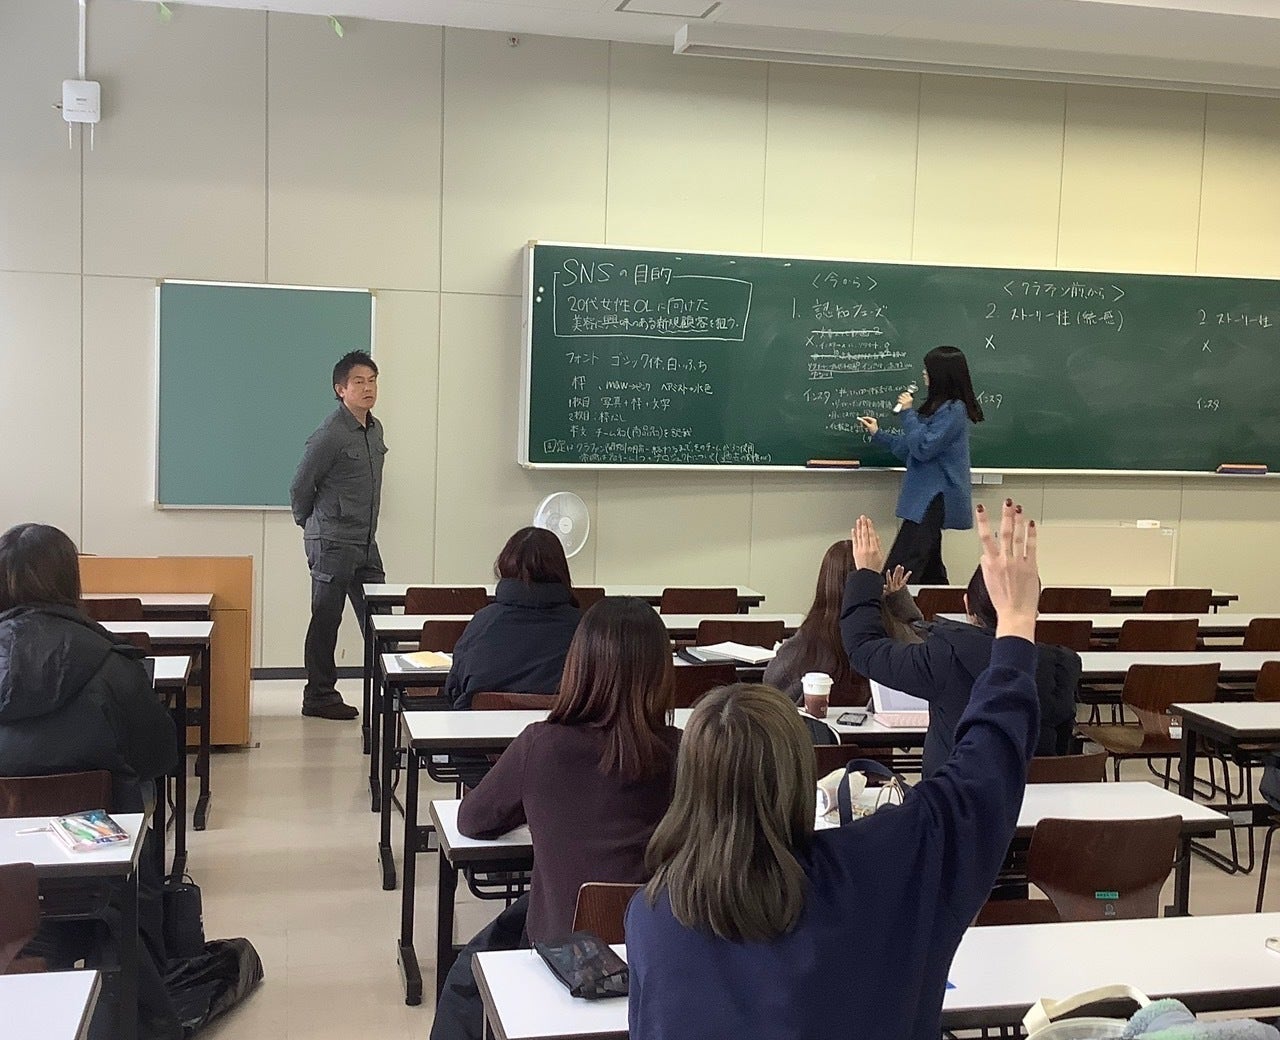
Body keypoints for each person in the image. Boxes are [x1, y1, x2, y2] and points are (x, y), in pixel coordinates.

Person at [625, 501, 1041, 1040]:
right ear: (800, 775)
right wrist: (1015, 626)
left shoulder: (653, 918)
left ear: (689, 785)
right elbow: (983, 773)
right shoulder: (878, 868)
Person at [431, 597, 681, 1040]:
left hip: (561, 951)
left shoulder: (541, 746)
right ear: (662, 675)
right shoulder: (688, 753)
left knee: (467, 977)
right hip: (664, 948)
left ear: (578, 665)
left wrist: (538, 809)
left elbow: (472, 820)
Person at [0, 523, 181, 1040]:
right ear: (70, 580)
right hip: (99, 867)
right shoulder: (113, 664)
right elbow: (161, 755)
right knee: (138, 791)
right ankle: (139, 963)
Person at [842, 510, 1077, 774]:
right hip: (1034, 796)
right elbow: (1062, 751)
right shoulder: (1063, 666)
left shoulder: (945, 658)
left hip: (954, 795)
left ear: (967, 606)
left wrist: (866, 574)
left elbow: (863, 648)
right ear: (1034, 610)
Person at [289, 350, 388, 720]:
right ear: (340, 389)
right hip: (332, 542)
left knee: (380, 618)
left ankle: (391, 689)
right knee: (326, 618)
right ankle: (319, 696)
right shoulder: (330, 434)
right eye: (358, 382)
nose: (368, 388)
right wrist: (312, 525)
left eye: (372, 381)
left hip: (365, 541)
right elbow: (300, 486)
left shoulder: (375, 429)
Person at [857, 344, 984, 584]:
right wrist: (878, 434)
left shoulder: (954, 411)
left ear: (941, 375)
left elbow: (923, 449)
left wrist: (907, 413)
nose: (924, 373)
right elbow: (911, 449)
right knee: (929, 569)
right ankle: (938, 603)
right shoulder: (937, 409)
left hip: (933, 497)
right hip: (925, 497)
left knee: (901, 568)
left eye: (928, 369)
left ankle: (889, 606)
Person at [763, 540, 922, 704]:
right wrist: (896, 602)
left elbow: (771, 687)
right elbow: (923, 657)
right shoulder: (894, 633)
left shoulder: (804, 644)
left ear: (825, 582)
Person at [443, 527, 581, 710]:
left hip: (483, 727)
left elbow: (454, 687)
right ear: (562, 570)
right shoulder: (584, 629)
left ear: (504, 565)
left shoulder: (482, 623)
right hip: (561, 728)